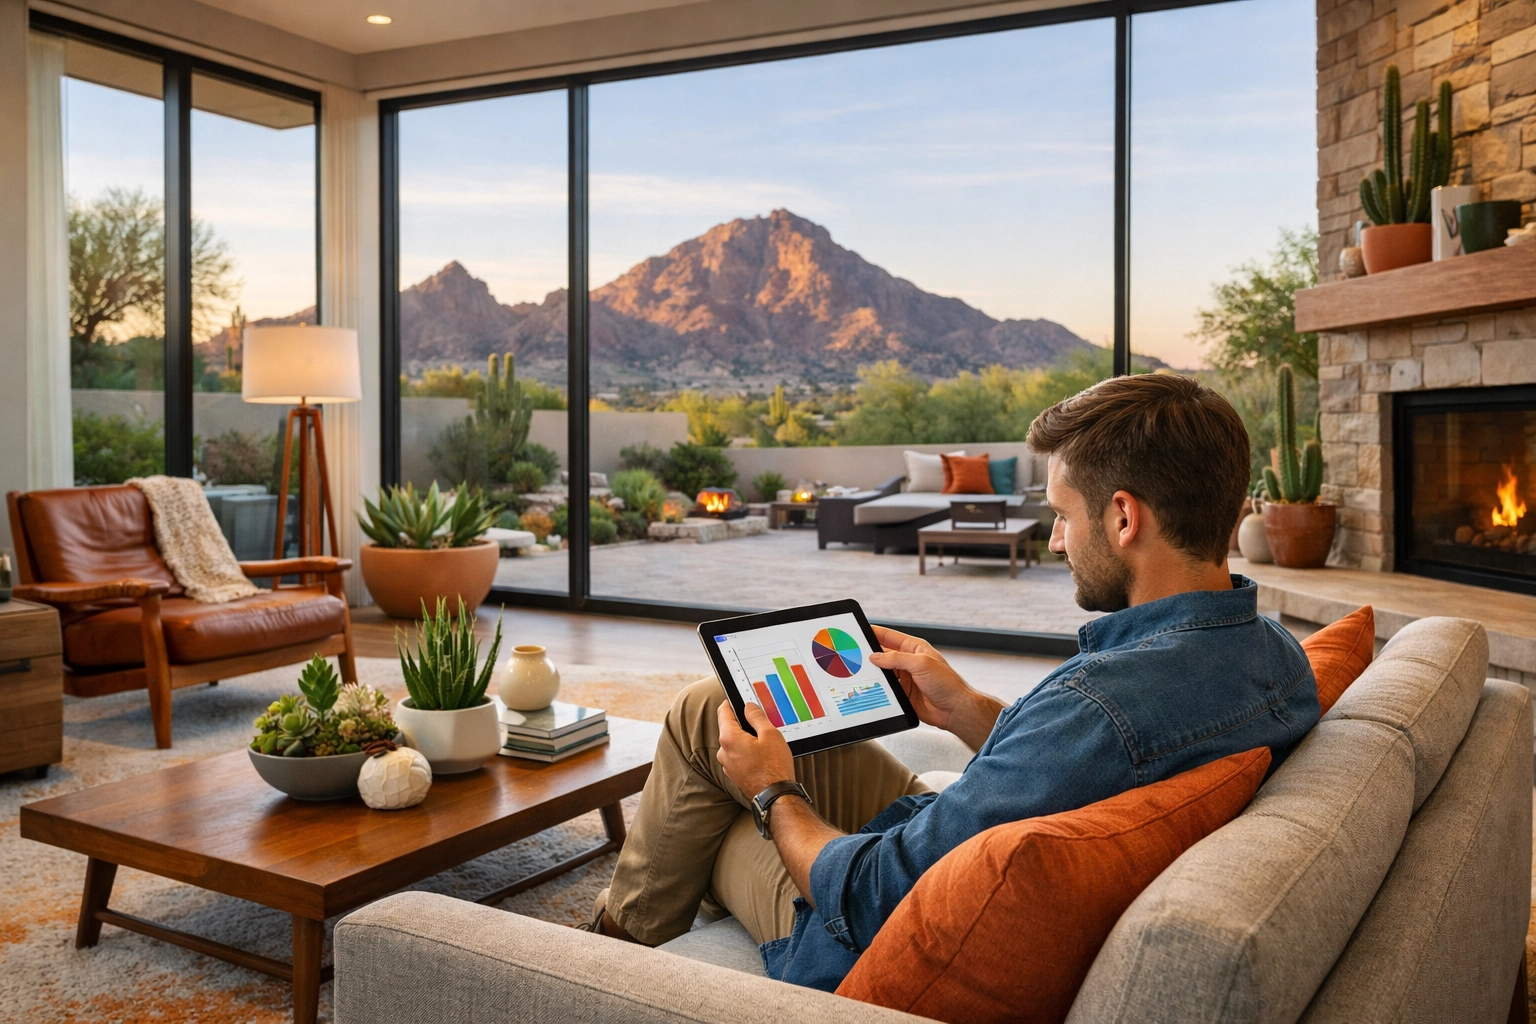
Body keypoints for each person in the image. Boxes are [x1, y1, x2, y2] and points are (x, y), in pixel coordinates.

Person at [582, 373, 1319, 992]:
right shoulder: (1276, 655)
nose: (1056, 539)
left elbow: (871, 897)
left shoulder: (1095, 709)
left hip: (867, 930)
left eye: (1063, 516)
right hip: (962, 847)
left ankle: (596, 967)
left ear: (1124, 517)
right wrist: (965, 709)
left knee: (713, 772)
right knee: (716, 704)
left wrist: (774, 793)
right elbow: (1085, 764)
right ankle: (628, 923)